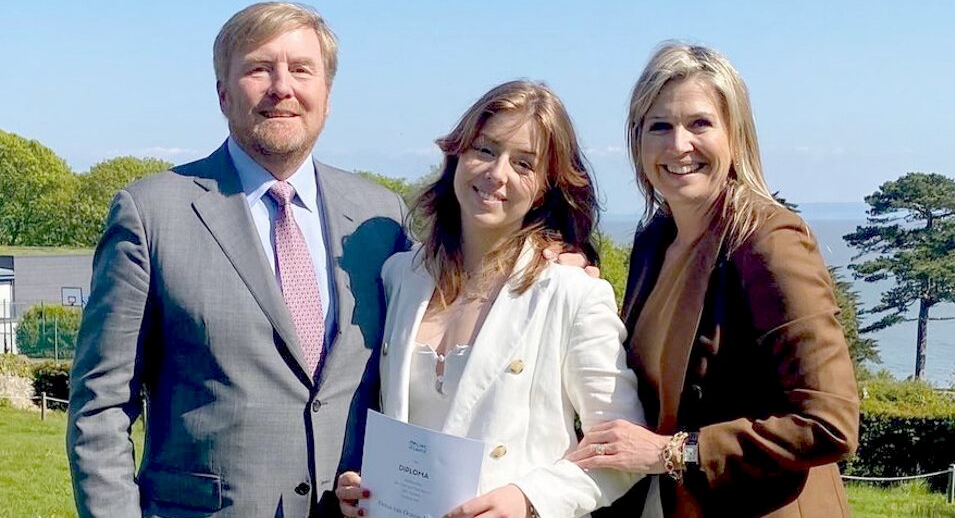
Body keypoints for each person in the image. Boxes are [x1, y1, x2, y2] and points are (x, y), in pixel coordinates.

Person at [67, 2, 411, 516]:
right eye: (258, 68)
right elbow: (100, 406)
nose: (282, 87)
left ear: (327, 94)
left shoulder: (381, 220)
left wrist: (564, 259)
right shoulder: (152, 212)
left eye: (301, 69)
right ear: (223, 94)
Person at [567, 43, 860, 517]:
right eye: (659, 126)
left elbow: (830, 423)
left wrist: (675, 452)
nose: (678, 145)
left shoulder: (769, 242)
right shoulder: (653, 242)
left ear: (735, 135)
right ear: (637, 142)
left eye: (699, 123)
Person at [335, 80, 646, 517]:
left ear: (544, 187)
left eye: (523, 163)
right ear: (457, 153)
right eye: (485, 149)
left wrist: (529, 500)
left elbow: (620, 449)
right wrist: (367, 488)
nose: (497, 173)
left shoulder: (572, 294)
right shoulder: (400, 276)